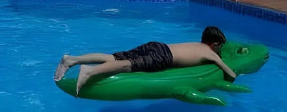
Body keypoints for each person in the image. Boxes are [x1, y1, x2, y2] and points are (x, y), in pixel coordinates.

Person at [53, 26, 236, 96]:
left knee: (114, 57)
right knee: (127, 65)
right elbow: (230, 74)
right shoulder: (210, 53)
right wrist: (233, 73)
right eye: (220, 47)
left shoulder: (196, 44)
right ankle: (89, 71)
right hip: (163, 57)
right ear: (215, 44)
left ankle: (72, 59)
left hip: (157, 46)